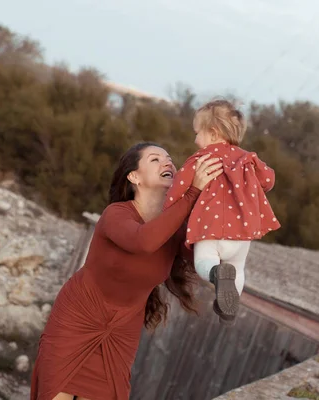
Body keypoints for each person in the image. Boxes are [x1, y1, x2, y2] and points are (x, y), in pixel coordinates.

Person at [30, 142, 223, 400]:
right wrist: (191, 195)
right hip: (78, 317)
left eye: (169, 159)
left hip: (122, 331)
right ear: (134, 177)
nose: (167, 163)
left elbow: (205, 255)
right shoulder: (116, 215)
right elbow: (143, 242)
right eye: (155, 159)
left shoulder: (176, 229)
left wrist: (219, 196)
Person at [163, 99, 280, 325]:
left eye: (197, 132)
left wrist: (167, 212)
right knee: (237, 268)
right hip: (242, 232)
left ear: (213, 134)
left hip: (210, 229)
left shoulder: (201, 159)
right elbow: (269, 180)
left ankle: (216, 275)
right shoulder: (248, 159)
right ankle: (229, 305)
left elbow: (177, 189)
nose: (195, 138)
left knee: (204, 262)